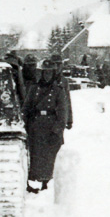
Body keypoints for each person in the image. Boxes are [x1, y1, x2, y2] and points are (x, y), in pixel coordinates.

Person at [22, 59, 68, 193]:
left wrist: (57, 130)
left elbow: (63, 112)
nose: (47, 75)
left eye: (50, 73)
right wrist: (23, 122)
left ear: (53, 74)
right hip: (35, 126)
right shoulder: (34, 88)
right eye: (45, 73)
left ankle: (45, 183)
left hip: (50, 126)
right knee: (34, 155)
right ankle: (32, 182)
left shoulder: (58, 90)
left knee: (48, 157)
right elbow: (26, 106)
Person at [48, 53, 73, 130]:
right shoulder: (44, 78)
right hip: (45, 117)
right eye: (54, 64)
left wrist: (69, 119)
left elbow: (67, 100)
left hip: (59, 117)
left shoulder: (64, 81)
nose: (57, 66)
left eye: (59, 64)